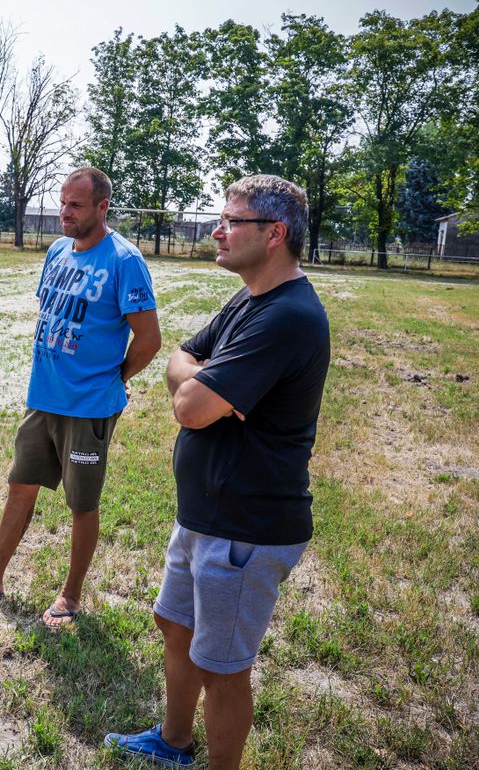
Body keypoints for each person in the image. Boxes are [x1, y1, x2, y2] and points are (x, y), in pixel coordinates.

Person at [105, 175, 330, 770]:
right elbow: (181, 355)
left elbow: (190, 406)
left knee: (223, 667)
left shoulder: (288, 318)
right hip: (207, 512)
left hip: (246, 528)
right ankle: (174, 743)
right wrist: (194, 375)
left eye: (232, 220)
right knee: (172, 624)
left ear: (275, 233)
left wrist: (196, 382)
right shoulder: (249, 299)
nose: (217, 229)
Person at [0, 167, 161, 628]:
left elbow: (149, 339)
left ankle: (71, 596)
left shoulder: (124, 261)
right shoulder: (58, 251)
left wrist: (114, 377)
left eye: (75, 205)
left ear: (102, 207)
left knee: (82, 503)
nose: (64, 212)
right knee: (20, 483)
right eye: (62, 202)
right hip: (43, 397)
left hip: (89, 405)